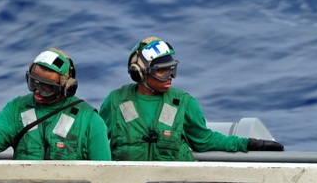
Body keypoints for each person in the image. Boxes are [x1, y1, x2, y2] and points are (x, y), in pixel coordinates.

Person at [99, 37, 284, 161]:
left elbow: (204, 140)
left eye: (171, 70)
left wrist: (246, 143)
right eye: (161, 71)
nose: (169, 76)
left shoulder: (183, 103)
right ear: (139, 73)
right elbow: (94, 143)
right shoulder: (116, 101)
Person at [0, 48, 111, 160]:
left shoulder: (90, 120)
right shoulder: (16, 108)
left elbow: (104, 172)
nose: (36, 91)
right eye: (33, 83)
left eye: (46, 87)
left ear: (67, 87)